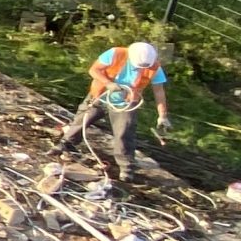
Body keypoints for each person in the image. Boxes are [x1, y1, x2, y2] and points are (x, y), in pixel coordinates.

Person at [60, 39, 169, 182]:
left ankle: (126, 168)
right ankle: (65, 144)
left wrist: (162, 116)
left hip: (126, 103)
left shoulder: (154, 67)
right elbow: (94, 69)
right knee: (81, 120)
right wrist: (108, 83)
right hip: (100, 96)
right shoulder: (115, 54)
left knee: (125, 132)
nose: (141, 69)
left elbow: (159, 92)